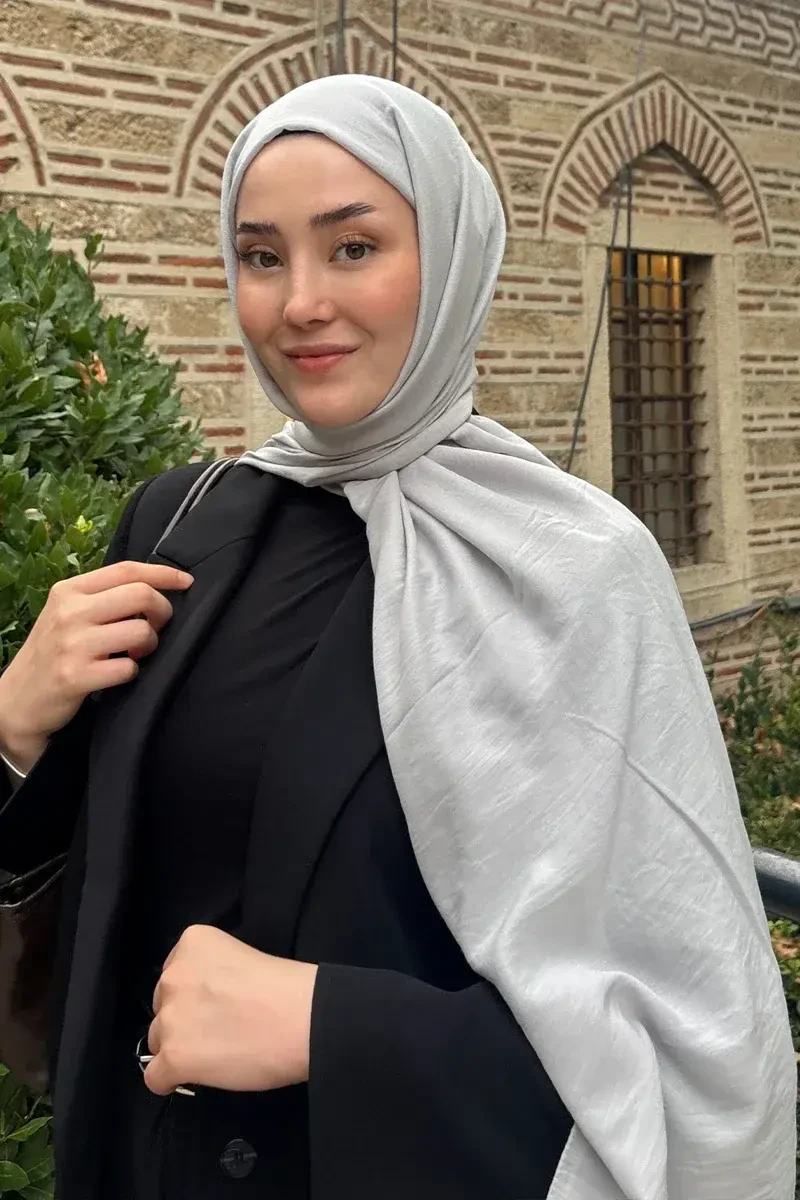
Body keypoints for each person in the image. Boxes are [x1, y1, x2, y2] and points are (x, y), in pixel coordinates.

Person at [0, 74, 794, 1200]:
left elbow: (685, 1042)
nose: (300, 303)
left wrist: (334, 1027)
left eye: (354, 247)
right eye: (261, 256)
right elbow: (77, 922)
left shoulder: (576, 570)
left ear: (453, 256)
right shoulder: (181, 526)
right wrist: (13, 734)